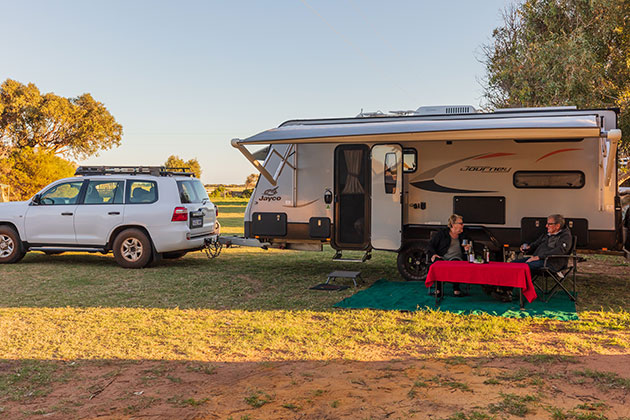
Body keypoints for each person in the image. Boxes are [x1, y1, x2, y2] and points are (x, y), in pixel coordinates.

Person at [492, 214, 572, 302]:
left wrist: (538, 257)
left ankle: (516, 294)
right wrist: (528, 247)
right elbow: (536, 243)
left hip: (552, 263)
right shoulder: (548, 234)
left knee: (525, 267)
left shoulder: (565, 236)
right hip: (538, 260)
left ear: (557, 226)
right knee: (513, 264)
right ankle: (506, 291)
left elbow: (560, 251)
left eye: (549, 224)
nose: (546, 226)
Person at [427, 214, 471, 297]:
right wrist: (434, 254)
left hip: (457, 258)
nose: (463, 225)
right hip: (442, 257)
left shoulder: (464, 234)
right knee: (438, 264)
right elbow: (430, 245)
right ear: (453, 224)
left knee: (456, 264)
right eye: (460, 223)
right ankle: (438, 290)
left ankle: (456, 290)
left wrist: (467, 248)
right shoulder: (442, 234)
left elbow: (471, 246)